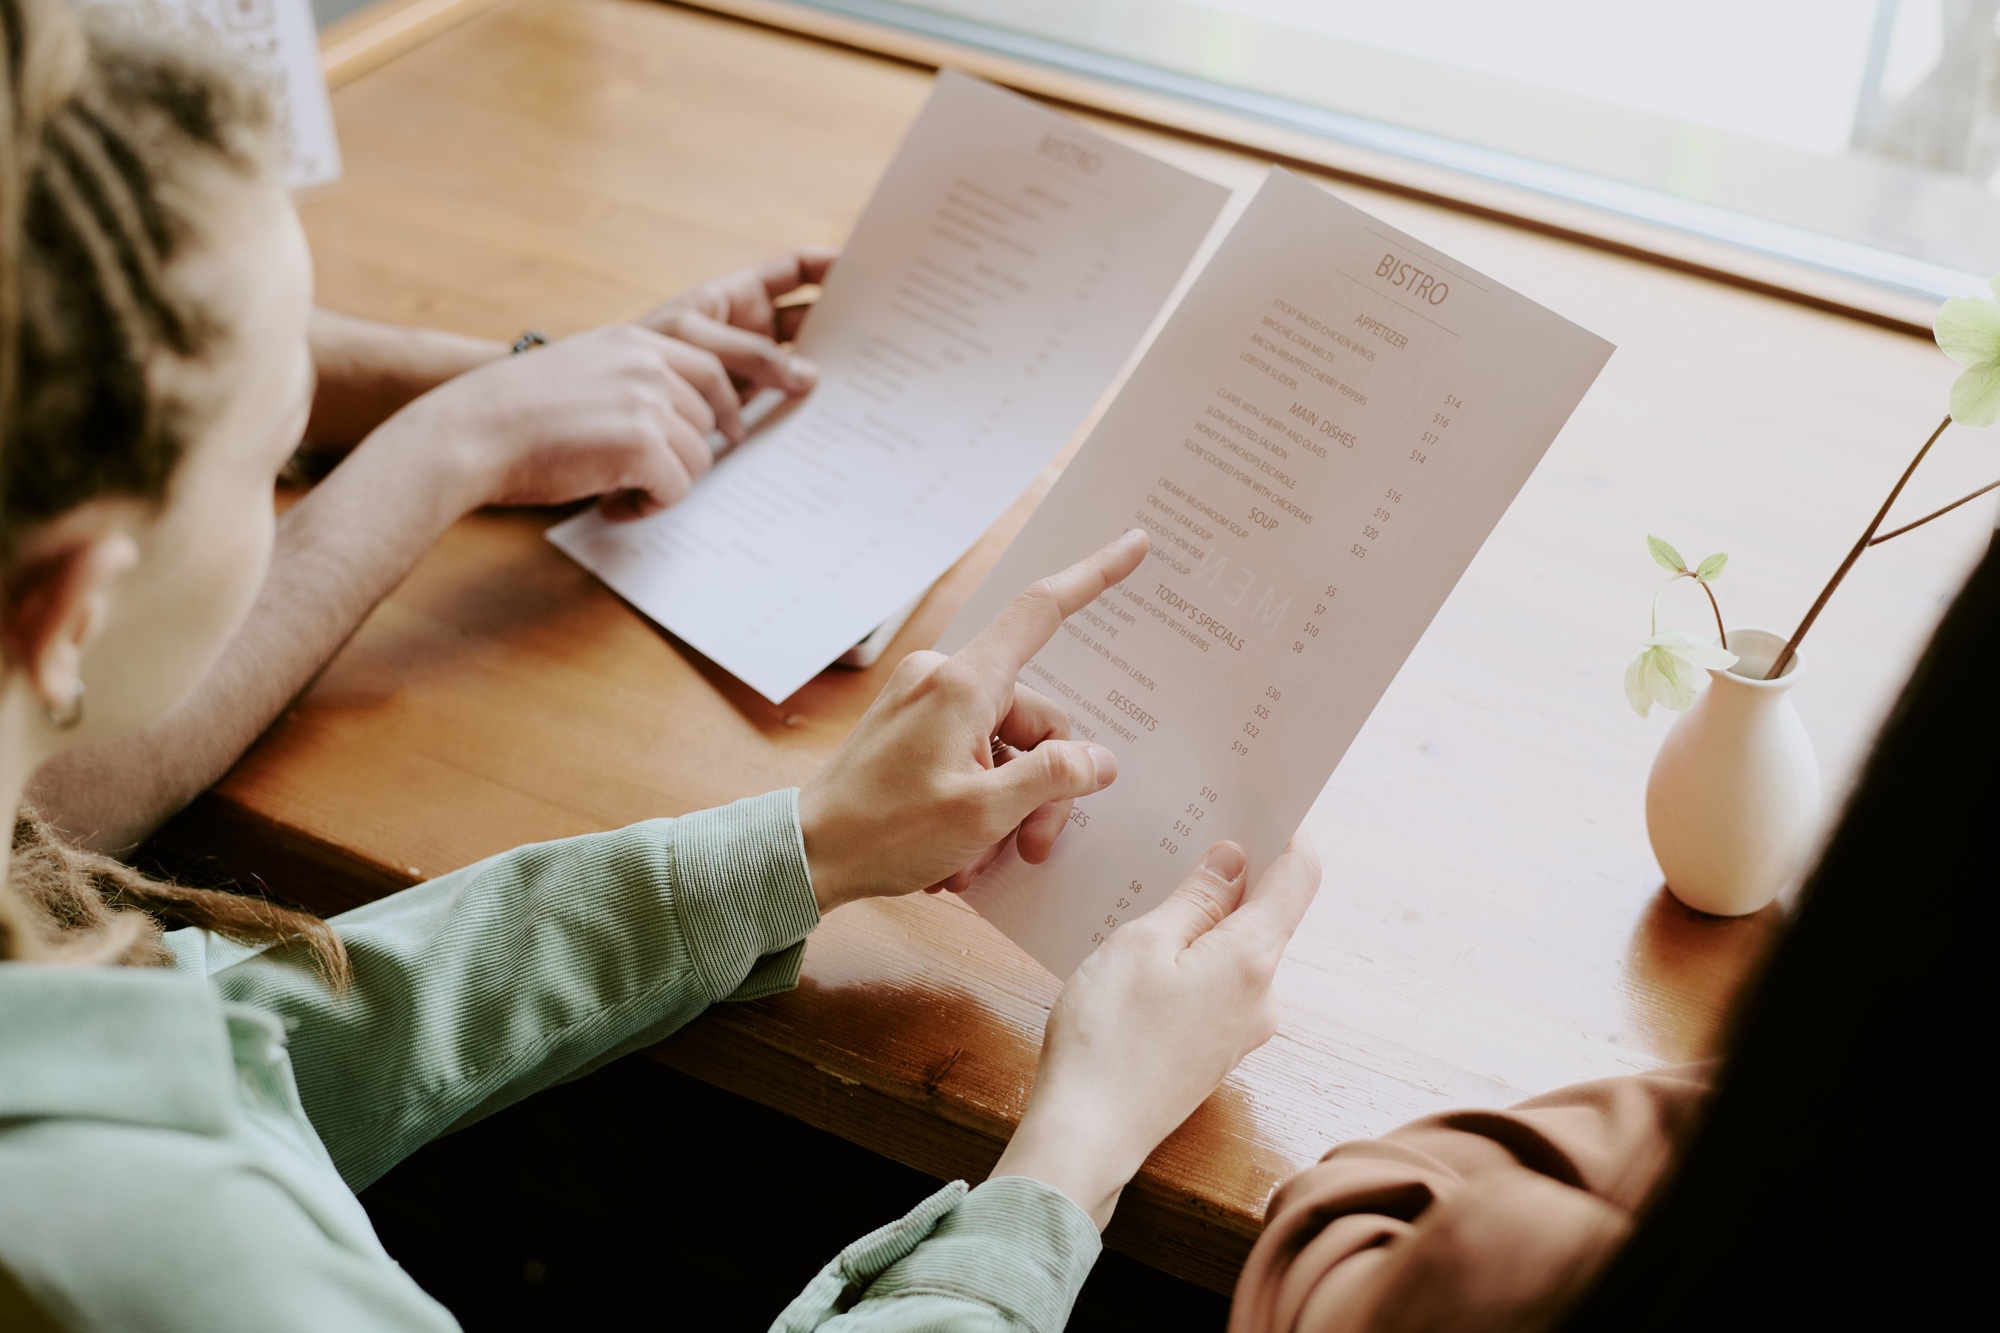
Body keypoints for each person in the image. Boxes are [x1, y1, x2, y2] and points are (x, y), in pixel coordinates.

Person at [0, 5, 1322, 1329]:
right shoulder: (174, 1257)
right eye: (277, 448)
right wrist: (1067, 1159)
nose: (299, 466)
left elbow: (267, 1042)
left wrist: (795, 844)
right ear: (73, 599)